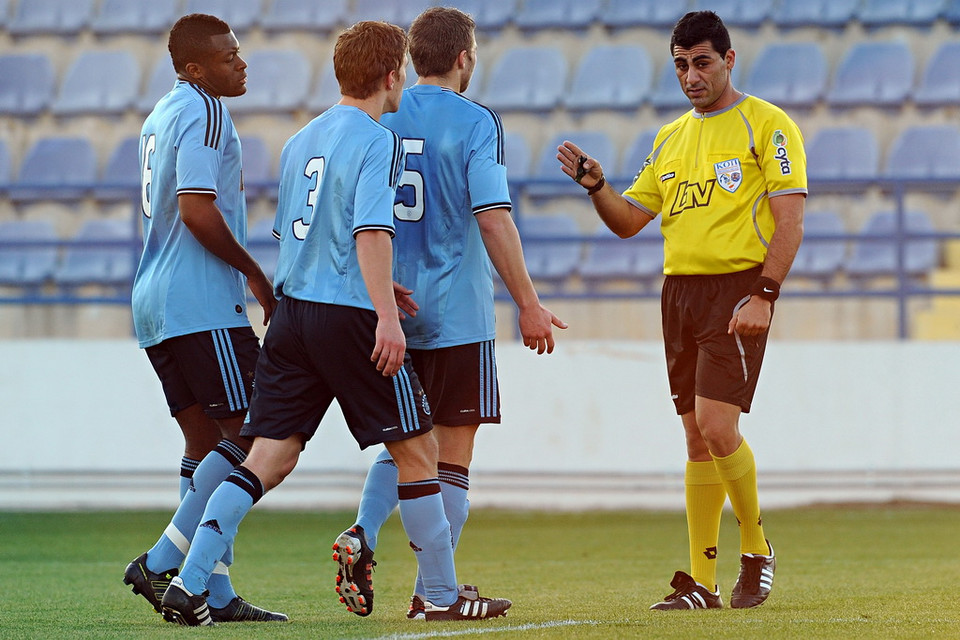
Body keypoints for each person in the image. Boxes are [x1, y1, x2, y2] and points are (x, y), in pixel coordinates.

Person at [158, 20, 512, 626]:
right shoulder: (377, 140)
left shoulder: (303, 139)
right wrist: (383, 315)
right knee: (419, 451)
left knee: (267, 456)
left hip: (293, 314)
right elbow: (370, 231)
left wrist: (365, 286)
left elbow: (307, 236)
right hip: (346, 320)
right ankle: (441, 594)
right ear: (390, 75)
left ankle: (188, 585)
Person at [558, 11, 806, 611]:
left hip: (737, 291)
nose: (690, 76)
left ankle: (756, 547)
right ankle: (701, 581)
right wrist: (597, 186)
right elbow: (628, 223)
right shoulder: (670, 138)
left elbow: (791, 219)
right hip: (680, 295)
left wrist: (765, 295)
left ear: (728, 59)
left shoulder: (766, 125)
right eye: (680, 65)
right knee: (697, 438)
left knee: (720, 428)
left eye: (701, 62)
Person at [335, 6, 566, 621]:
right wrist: (529, 303)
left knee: (408, 447)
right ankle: (434, 589)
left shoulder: (378, 113)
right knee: (450, 460)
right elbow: (492, 215)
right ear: (465, 58)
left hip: (389, 311)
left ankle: (362, 531)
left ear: (411, 60)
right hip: (456, 314)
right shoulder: (476, 121)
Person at [122, 13, 285, 623]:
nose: (241, 64)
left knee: (204, 442)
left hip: (154, 300)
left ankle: (214, 594)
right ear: (195, 69)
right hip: (201, 302)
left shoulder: (159, 114)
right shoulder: (205, 110)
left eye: (239, 54)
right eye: (228, 57)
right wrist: (255, 273)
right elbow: (196, 209)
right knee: (253, 433)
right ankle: (162, 560)